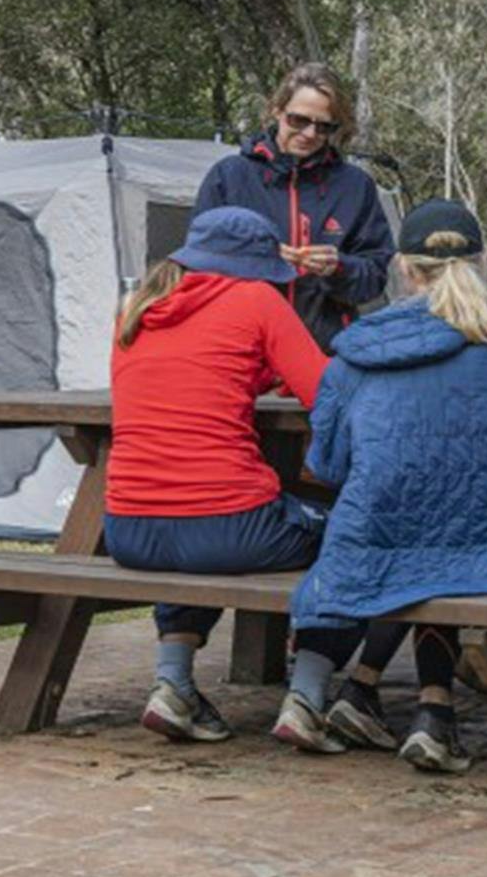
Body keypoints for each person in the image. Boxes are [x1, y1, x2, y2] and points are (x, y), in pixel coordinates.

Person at [271, 199, 487, 773]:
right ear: (482, 262)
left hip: (376, 531)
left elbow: (328, 463)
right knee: (443, 541)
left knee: (418, 543)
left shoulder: (356, 349)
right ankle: (431, 712)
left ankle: (380, 696)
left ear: (404, 269)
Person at [105, 205, 331, 744]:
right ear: (253, 267)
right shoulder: (255, 299)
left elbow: (191, 377)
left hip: (128, 530)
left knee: (194, 522)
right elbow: (327, 392)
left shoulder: (136, 308)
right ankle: (309, 695)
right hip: (228, 528)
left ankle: (174, 683)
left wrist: (253, 375)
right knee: (349, 532)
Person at [195, 62, 395, 354]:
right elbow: (197, 268)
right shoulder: (229, 177)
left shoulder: (355, 187)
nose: (310, 134)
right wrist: (259, 258)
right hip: (241, 352)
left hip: (325, 356)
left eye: (324, 126)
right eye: (299, 120)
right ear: (277, 110)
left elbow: (375, 278)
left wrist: (338, 267)